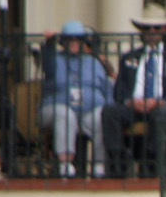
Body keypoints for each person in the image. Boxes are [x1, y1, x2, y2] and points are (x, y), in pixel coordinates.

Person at [103, 5, 166, 177]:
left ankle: (149, 162)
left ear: (164, 30)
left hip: (161, 106)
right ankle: (119, 163)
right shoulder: (129, 57)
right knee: (109, 112)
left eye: (156, 27)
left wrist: (160, 101)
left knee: (161, 114)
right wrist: (130, 102)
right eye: (147, 28)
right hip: (135, 106)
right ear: (141, 31)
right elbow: (119, 90)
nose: (152, 31)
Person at [41, 21, 114, 177]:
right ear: (64, 42)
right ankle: (64, 163)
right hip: (57, 108)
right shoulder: (55, 59)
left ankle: (99, 165)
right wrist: (48, 44)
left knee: (101, 117)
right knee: (65, 114)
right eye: (70, 39)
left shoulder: (93, 62)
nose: (74, 43)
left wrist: (109, 108)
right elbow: (47, 63)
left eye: (77, 39)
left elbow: (106, 88)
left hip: (88, 111)